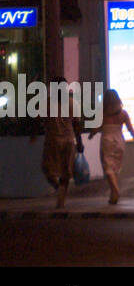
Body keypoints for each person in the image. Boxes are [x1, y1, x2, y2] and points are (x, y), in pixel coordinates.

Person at [88, 89, 134, 204]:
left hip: (107, 141)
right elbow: (130, 129)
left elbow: (96, 128)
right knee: (115, 168)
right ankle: (113, 196)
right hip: (120, 141)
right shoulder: (123, 114)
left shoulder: (102, 114)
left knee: (108, 168)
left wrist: (91, 134)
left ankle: (115, 190)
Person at [40, 78, 84, 208]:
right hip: (69, 141)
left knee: (47, 169)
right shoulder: (72, 103)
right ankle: (61, 200)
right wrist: (79, 142)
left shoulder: (46, 103)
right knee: (66, 172)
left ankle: (58, 188)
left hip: (53, 140)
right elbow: (76, 125)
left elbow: (39, 121)